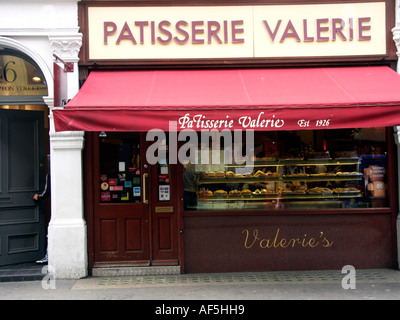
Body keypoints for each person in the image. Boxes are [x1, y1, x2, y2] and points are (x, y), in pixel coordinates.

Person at [33, 172, 50, 264]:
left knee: (51, 232)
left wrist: (38, 197)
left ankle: (48, 256)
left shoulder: (51, 174)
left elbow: (47, 191)